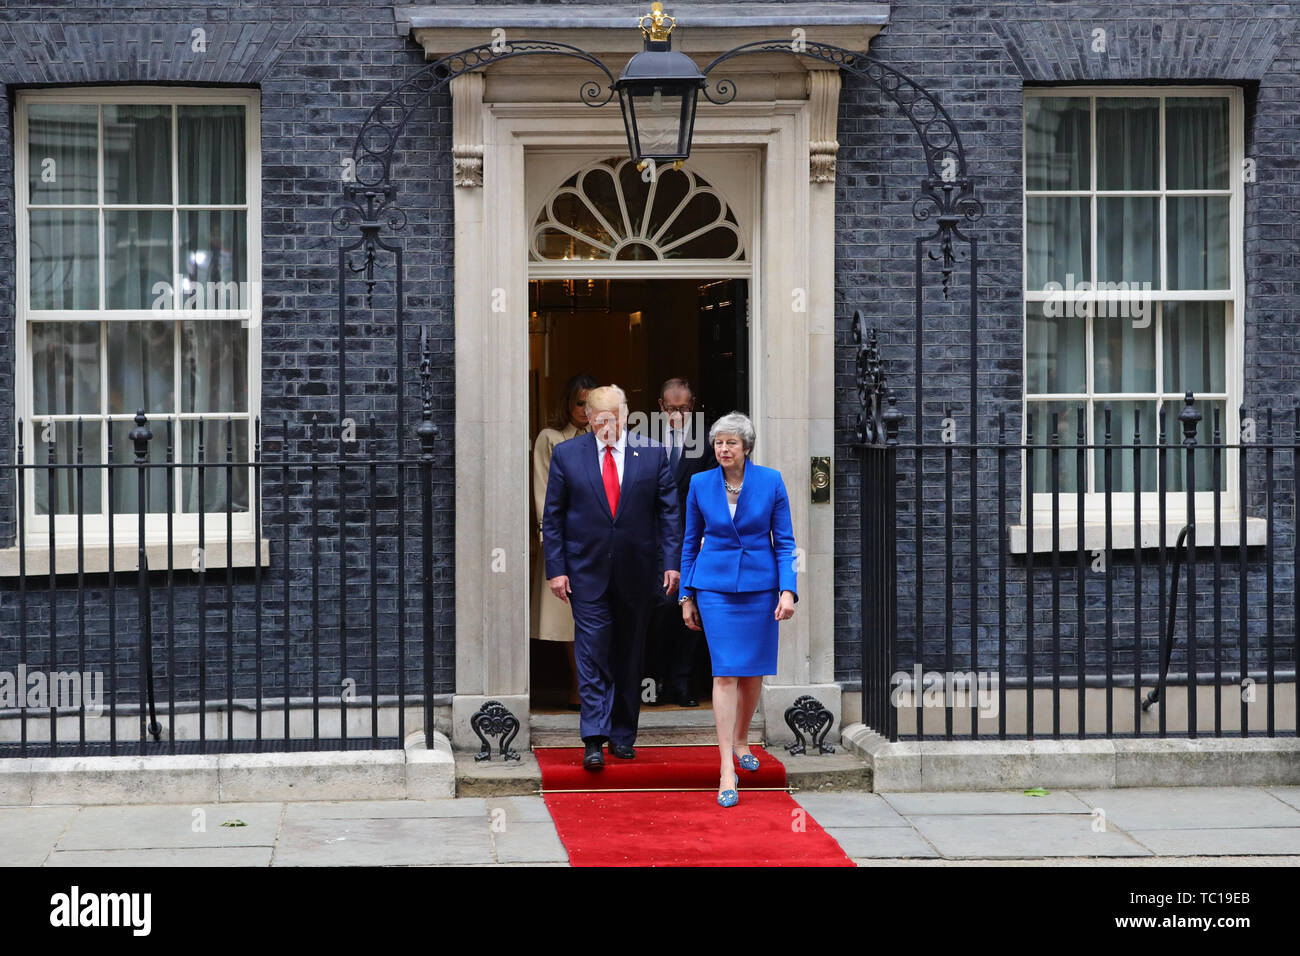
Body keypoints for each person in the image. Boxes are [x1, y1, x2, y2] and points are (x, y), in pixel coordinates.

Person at [542, 384, 682, 771]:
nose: (607, 425)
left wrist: (671, 563)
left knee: (629, 654)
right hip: (586, 574)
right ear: (588, 418)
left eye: (614, 418)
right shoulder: (567, 455)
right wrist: (557, 570)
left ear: (625, 415)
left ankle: (622, 735)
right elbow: (553, 518)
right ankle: (592, 737)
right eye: (599, 419)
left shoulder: (652, 454)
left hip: (638, 573)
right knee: (591, 653)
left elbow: (669, 513)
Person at [679, 412, 797, 807]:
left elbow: (784, 542)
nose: (724, 449)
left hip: (761, 590)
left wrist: (788, 592)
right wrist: (686, 596)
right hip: (714, 589)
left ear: (746, 447)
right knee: (726, 672)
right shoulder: (699, 483)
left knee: (753, 673)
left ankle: (743, 738)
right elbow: (690, 540)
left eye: (731, 443)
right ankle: (726, 768)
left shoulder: (770, 481)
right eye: (718, 443)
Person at [646, 378, 716, 708]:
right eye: (671, 408)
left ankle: (684, 682)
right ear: (660, 406)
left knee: (693, 610)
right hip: (656, 538)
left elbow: (713, 492)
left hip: (694, 537)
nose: (677, 414)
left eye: (684, 408)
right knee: (660, 610)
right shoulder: (644, 441)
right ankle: (655, 680)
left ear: (694, 405)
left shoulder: (707, 443)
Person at [531, 373, 597, 709]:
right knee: (567, 620)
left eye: (590, 403)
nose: (585, 410)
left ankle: (592, 686)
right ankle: (577, 685)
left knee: (597, 617)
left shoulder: (605, 437)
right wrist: (549, 539)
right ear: (567, 403)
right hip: (564, 539)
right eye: (579, 403)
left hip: (599, 542)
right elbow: (542, 492)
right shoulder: (550, 437)